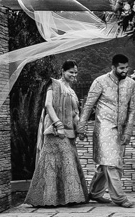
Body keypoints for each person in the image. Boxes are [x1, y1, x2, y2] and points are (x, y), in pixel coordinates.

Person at [25, 60, 88, 207]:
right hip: (55, 131)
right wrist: (58, 124)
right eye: (71, 72)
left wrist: (80, 129)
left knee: (66, 162)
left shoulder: (71, 91)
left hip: (69, 132)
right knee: (54, 164)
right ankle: (49, 199)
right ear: (62, 71)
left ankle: (65, 198)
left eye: (75, 72)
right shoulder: (54, 85)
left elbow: (74, 113)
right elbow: (48, 104)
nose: (73, 75)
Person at [79, 53, 135, 207]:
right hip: (104, 127)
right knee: (112, 163)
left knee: (106, 163)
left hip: (120, 129)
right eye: (121, 68)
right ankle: (120, 198)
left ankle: (95, 193)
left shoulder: (131, 83)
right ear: (113, 67)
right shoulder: (100, 82)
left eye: (126, 67)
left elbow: (132, 109)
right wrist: (81, 126)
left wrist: (128, 131)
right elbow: (88, 105)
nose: (125, 70)